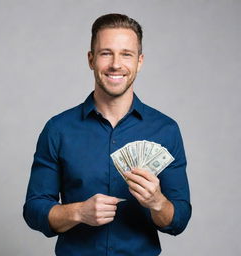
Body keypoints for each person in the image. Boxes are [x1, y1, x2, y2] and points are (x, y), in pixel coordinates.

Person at [23, 13, 191, 256]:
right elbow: (34, 209)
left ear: (139, 62)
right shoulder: (58, 129)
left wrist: (158, 203)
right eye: (106, 53)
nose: (115, 64)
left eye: (126, 54)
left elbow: (180, 218)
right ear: (91, 60)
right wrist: (78, 212)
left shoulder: (166, 130)